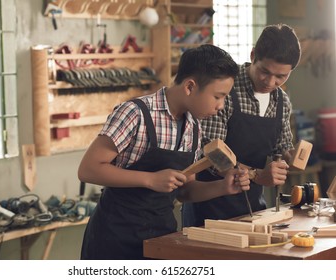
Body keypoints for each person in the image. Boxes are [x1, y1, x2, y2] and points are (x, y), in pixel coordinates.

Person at [78, 44, 249, 260]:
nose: (221, 106)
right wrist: (150, 179)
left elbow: (185, 191)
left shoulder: (193, 127)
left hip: (161, 237)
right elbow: (88, 169)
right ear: (190, 87)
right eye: (218, 96)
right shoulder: (135, 113)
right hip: (115, 239)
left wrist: (223, 187)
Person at [182, 23, 302, 226]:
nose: (270, 82)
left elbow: (280, 149)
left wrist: (288, 158)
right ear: (253, 55)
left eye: (281, 76)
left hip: (252, 207)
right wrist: (258, 175)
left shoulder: (282, 101)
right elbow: (211, 154)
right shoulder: (225, 89)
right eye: (265, 71)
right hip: (209, 206)